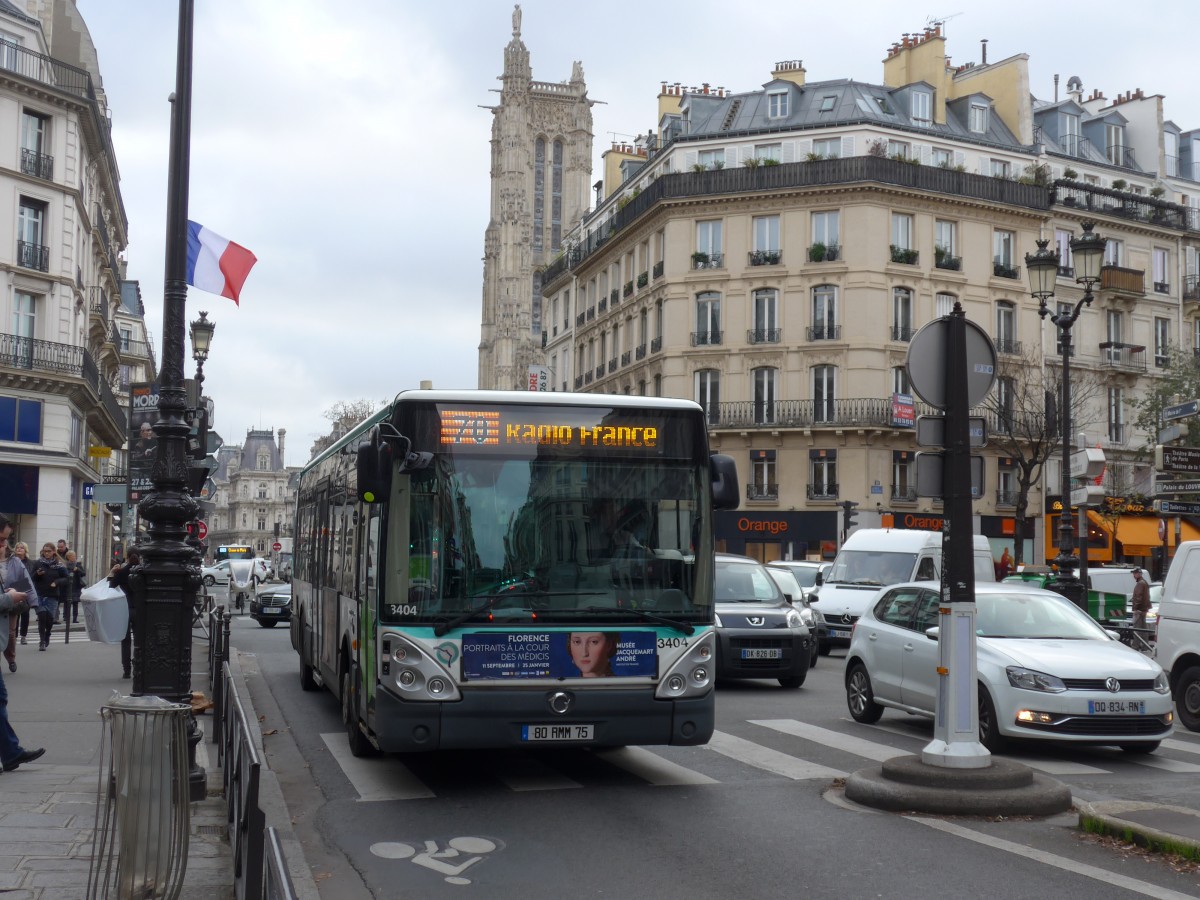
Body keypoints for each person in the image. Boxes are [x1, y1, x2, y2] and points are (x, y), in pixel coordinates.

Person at [0, 514, 46, 771]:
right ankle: (11, 752)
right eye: (1, 539)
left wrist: (32, 605)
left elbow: (23, 590)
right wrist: (8, 599)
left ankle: (10, 753)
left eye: (7, 540)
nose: (5, 545)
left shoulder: (13, 563)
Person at [109, 550, 140, 679]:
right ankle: (138, 666)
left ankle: (126, 669)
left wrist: (113, 572)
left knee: (125, 640)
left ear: (126, 557)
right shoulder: (142, 572)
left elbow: (110, 586)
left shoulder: (121, 572)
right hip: (139, 609)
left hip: (125, 609)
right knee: (139, 641)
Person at [30, 543, 66, 651]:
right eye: (45, 551)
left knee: (49, 620)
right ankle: (42, 641)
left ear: (54, 551)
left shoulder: (59, 565)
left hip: (52, 596)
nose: (46, 553)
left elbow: (67, 579)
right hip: (40, 595)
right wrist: (37, 574)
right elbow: (31, 577)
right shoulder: (38, 563)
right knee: (42, 616)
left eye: (49, 551)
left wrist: (57, 582)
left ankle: (47, 634)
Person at [13, 543, 33, 646]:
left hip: (26, 591)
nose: (19, 549)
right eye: (17, 547)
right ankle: (14, 636)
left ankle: (23, 636)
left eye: (22, 548)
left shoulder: (30, 563)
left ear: (25, 550)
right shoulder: (11, 561)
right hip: (13, 590)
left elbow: (30, 577)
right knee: (15, 614)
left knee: (25, 614)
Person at [65, 551, 86, 624]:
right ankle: (66, 617)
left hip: (76, 586)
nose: (74, 557)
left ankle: (75, 618)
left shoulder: (78, 565)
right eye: (73, 556)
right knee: (67, 603)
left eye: (74, 556)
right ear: (68, 557)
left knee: (75, 603)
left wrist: (78, 570)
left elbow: (83, 573)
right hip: (68, 586)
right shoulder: (65, 565)